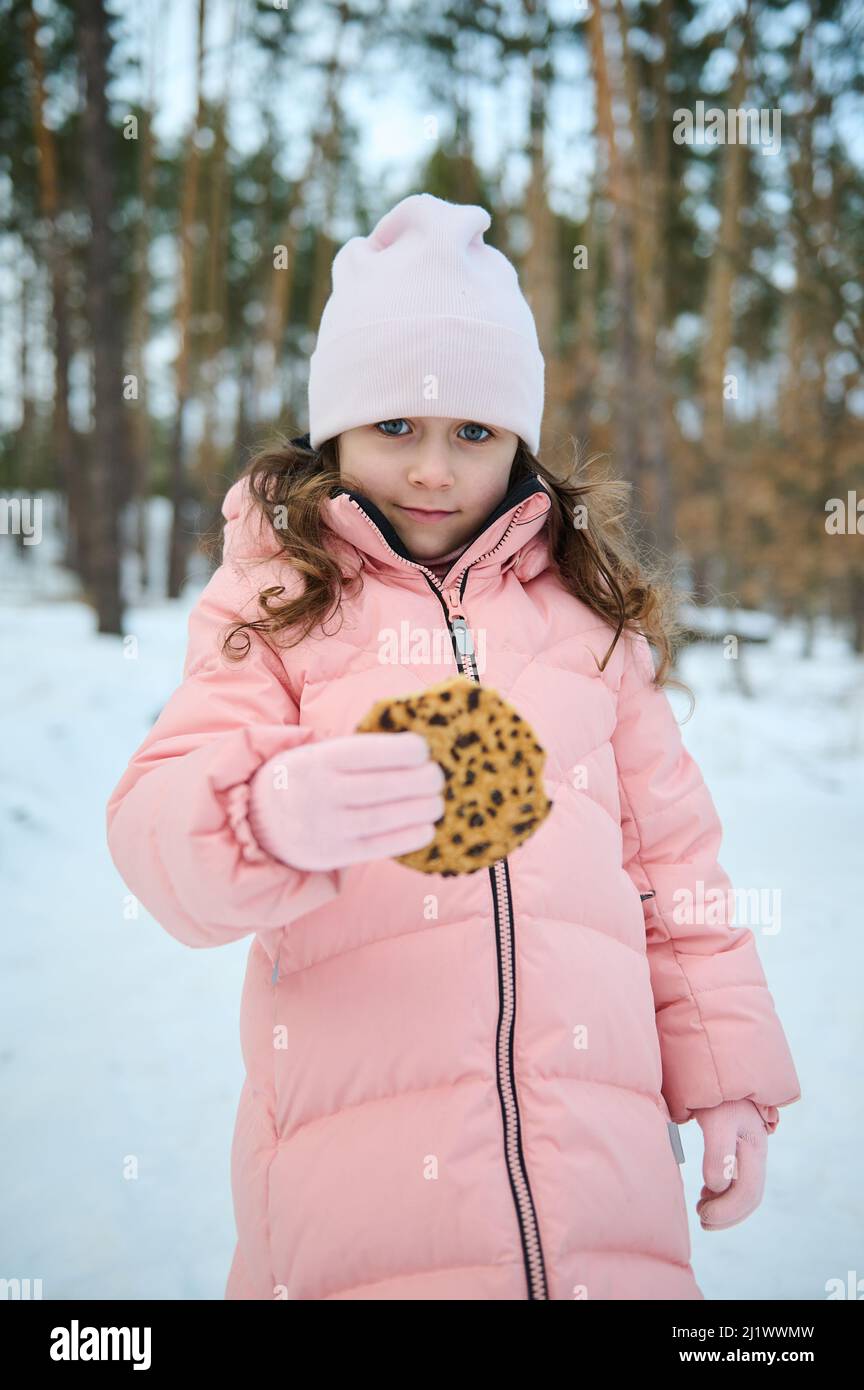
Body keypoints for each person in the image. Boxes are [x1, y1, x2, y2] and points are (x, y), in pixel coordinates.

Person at [105, 192, 801, 1301]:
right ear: (336, 428)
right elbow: (154, 825)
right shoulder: (277, 603)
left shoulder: (588, 626)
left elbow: (678, 870)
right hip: (361, 1190)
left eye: (472, 432)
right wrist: (262, 812)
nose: (433, 471)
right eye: (396, 427)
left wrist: (724, 1073)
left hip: (602, 1195)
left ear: (517, 439)